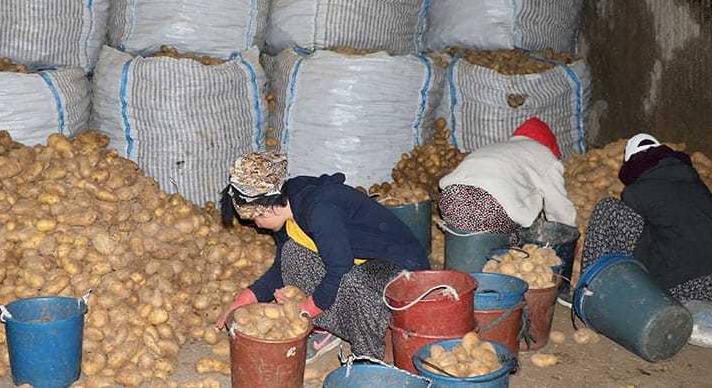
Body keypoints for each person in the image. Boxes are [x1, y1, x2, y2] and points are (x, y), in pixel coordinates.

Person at [213, 151, 429, 363]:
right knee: (292, 255)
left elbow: (340, 268)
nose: (255, 225)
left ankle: (367, 357)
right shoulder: (287, 211)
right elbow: (281, 268)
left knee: (351, 280)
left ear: (266, 208)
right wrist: (243, 299)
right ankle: (334, 327)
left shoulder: (319, 209)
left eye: (254, 219)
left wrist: (307, 309)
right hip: (362, 262)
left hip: (403, 269)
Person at [581, 133, 712, 301]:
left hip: (684, 287)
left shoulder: (635, 192)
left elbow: (629, 237)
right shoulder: (696, 184)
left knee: (608, 209)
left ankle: (589, 290)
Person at [437, 117, 576, 234]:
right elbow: (558, 206)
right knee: (518, 237)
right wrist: (566, 234)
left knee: (474, 225)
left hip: (449, 200)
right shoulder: (545, 155)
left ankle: (464, 242)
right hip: (487, 209)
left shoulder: (496, 147)